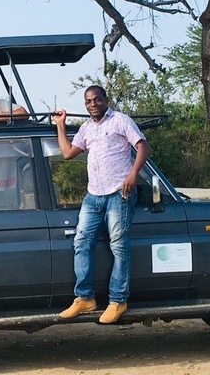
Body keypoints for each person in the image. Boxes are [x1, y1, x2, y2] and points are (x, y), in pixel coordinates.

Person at [52, 85, 149, 324]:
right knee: (81, 242)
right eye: (88, 101)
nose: (93, 104)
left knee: (118, 246)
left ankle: (118, 300)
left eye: (97, 99)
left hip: (119, 193)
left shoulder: (120, 120)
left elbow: (142, 146)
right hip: (93, 195)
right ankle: (84, 298)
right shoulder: (86, 128)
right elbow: (67, 153)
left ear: (105, 100)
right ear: (85, 104)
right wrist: (61, 124)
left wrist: (133, 173)